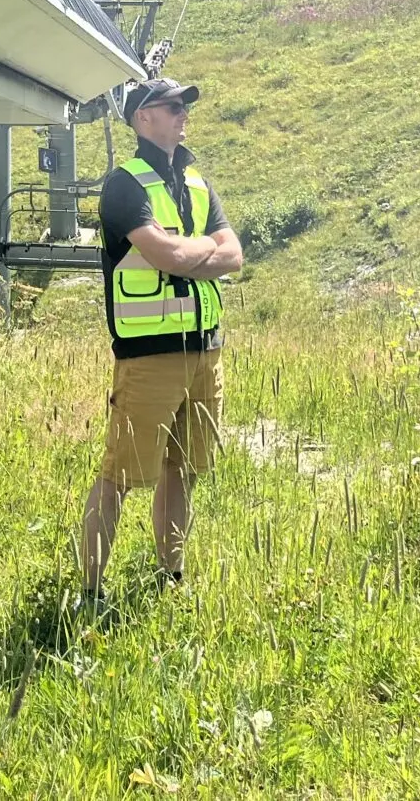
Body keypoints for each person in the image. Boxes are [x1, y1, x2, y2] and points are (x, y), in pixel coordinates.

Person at [80, 76, 244, 601]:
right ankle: (91, 592)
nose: (182, 113)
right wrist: (202, 254)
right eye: (172, 106)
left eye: (184, 106)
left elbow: (234, 254)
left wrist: (185, 253)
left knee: (186, 469)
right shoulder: (124, 184)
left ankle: (170, 577)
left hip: (205, 349)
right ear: (142, 117)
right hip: (149, 355)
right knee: (119, 476)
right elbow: (164, 256)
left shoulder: (195, 180)